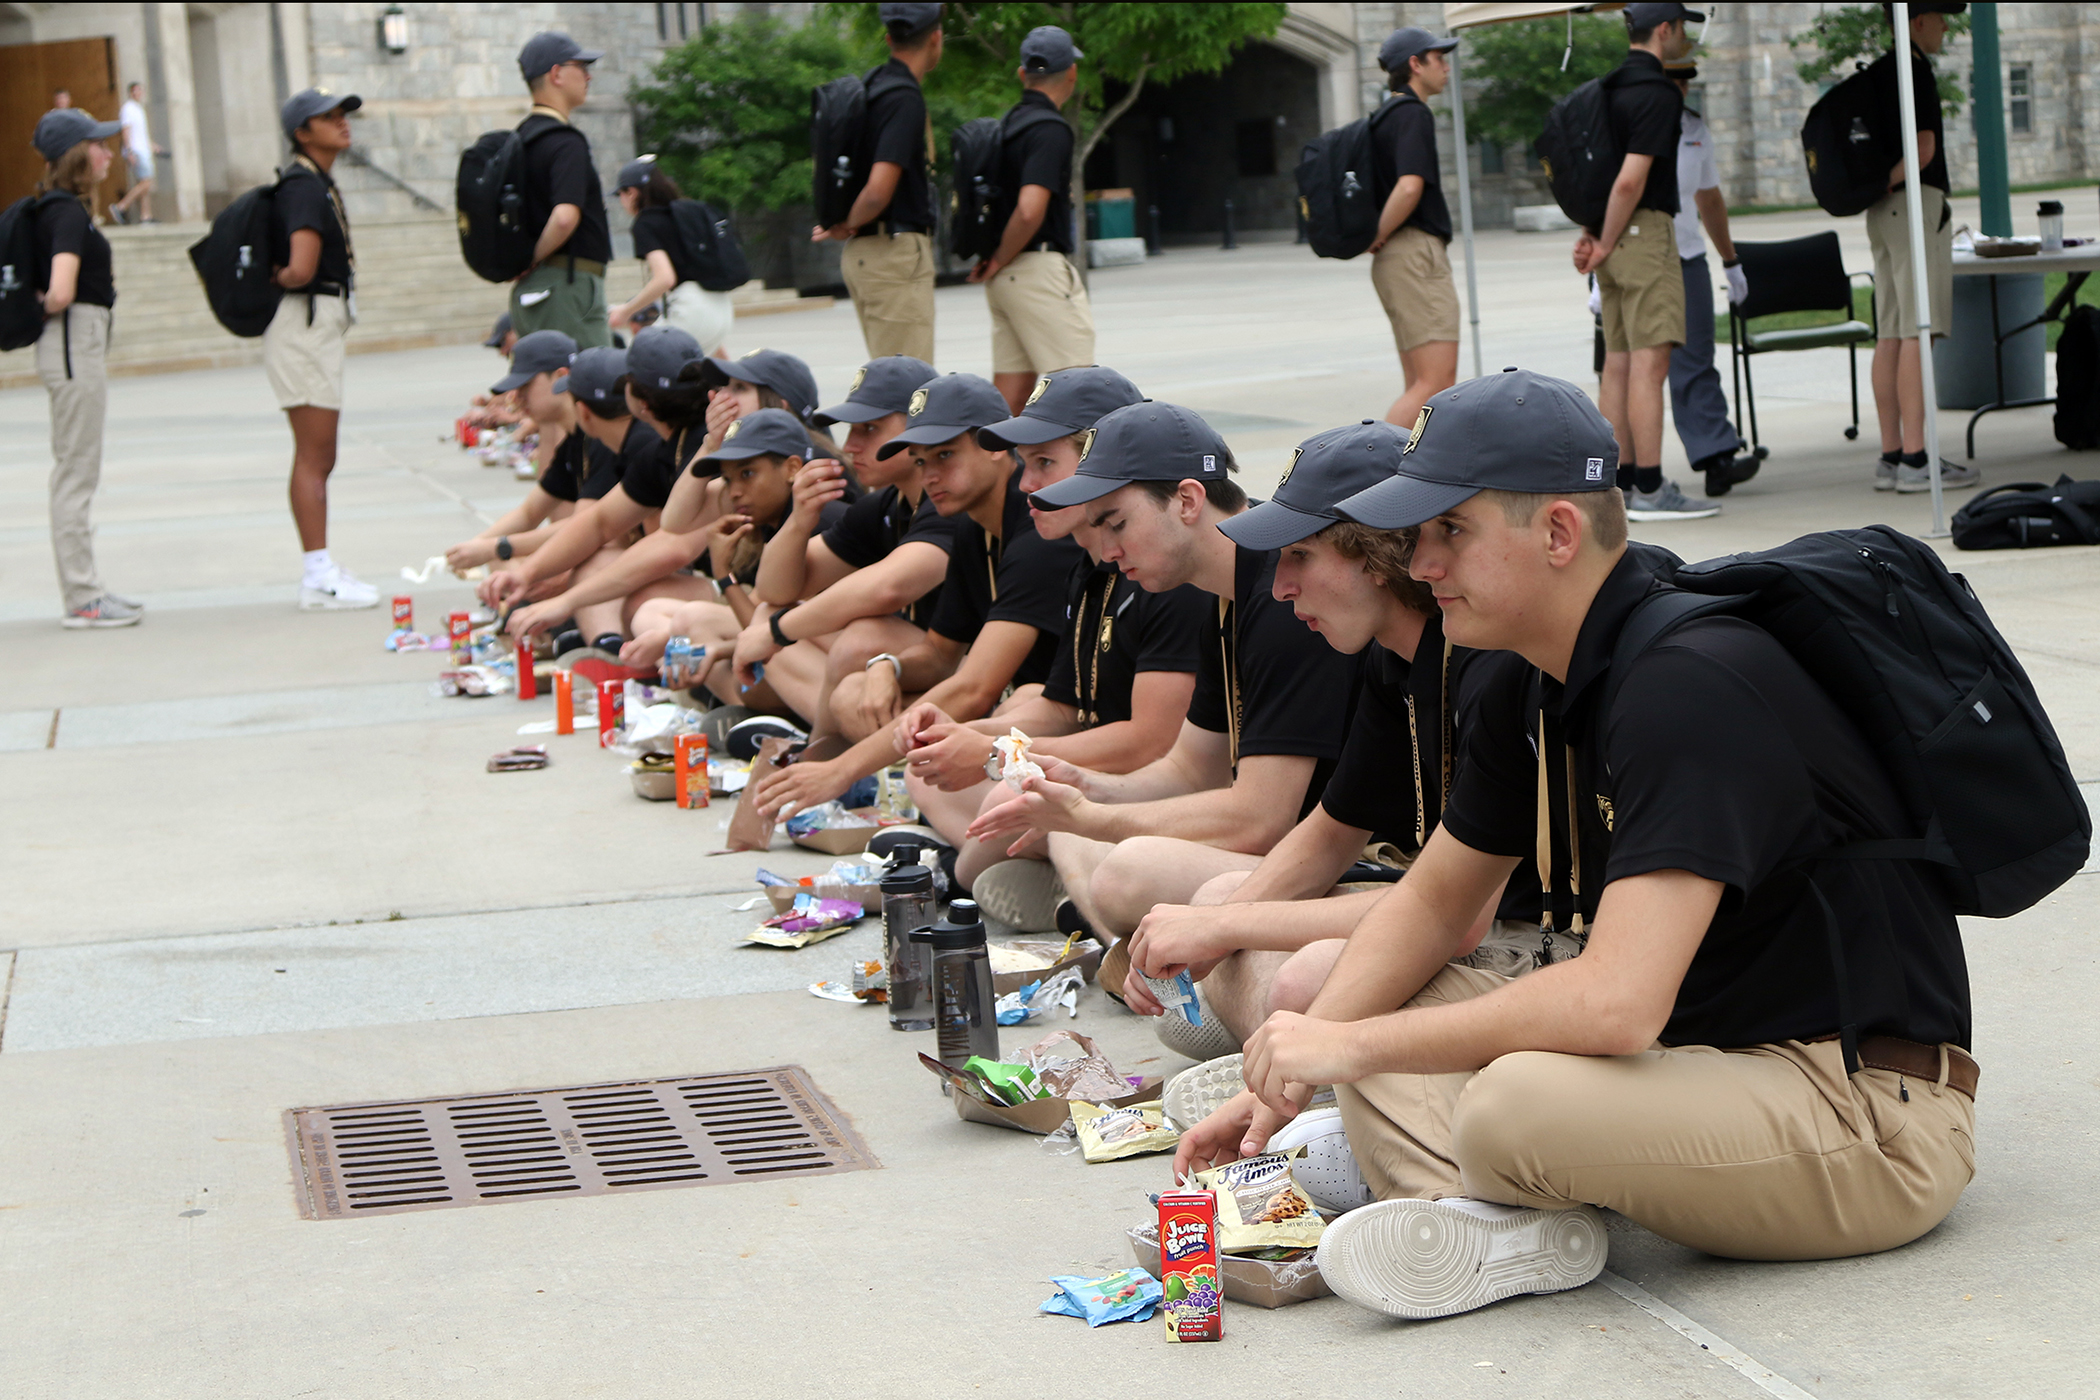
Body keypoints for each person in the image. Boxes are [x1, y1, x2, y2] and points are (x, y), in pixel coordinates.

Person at [1175, 367, 1976, 1323]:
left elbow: (1616, 1005)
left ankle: (1460, 1189)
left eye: (1449, 532)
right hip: (1709, 1058)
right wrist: (1292, 1079)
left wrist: (1346, 1045)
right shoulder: (1528, 675)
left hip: (1859, 1104)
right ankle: (1464, 1211)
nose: (1420, 564)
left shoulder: (1688, 682)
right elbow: (1432, 904)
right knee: (1385, 988)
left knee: (1509, 1104)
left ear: (1558, 533)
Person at [1118, 421, 1551, 1049]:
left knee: (1301, 981)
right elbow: (1330, 832)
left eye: (1300, 554)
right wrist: (1216, 924)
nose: (1279, 585)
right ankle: (1290, 1062)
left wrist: (1220, 932)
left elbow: (1457, 917)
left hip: (1536, 933)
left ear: (1377, 556)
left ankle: (1306, 1080)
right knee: (1217, 901)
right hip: (1448, 908)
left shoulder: (1487, 659)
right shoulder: (1390, 656)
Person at [967, 403, 1362, 944]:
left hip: (1340, 863)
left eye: (1117, 523)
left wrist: (1094, 816)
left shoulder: (1283, 597)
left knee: (1127, 867)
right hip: (1291, 852)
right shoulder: (1223, 594)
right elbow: (1190, 769)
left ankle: (1122, 946)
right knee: (1069, 825)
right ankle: (1125, 940)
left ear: (1186, 500)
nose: (1106, 551)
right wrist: (1087, 787)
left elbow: (1259, 820)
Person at [904, 368, 1207, 930]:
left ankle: (962, 876)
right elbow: (1066, 706)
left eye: (1044, 462)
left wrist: (1002, 755)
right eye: (1025, 464)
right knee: (932, 770)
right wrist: (968, 737)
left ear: (1102, 457)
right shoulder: (1091, 567)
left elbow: (1154, 742)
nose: (1025, 485)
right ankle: (1040, 874)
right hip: (1114, 779)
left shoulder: (1171, 570)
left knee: (1017, 801)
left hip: (1153, 786)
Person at [746, 372, 1084, 819]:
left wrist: (841, 771)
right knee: (854, 692)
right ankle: (863, 777)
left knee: (1012, 708)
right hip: (1012, 707)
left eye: (945, 455)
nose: (931, 475)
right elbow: (940, 653)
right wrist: (890, 666)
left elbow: (974, 687)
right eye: (921, 461)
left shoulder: (1039, 527)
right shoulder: (971, 524)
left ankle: (869, 781)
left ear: (997, 447)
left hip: (1060, 716)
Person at [729, 355, 953, 742]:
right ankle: (826, 746)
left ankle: (822, 752)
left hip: (980, 673)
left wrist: (776, 631)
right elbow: (775, 591)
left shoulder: (950, 500)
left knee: (858, 637)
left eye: (870, 428)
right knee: (771, 615)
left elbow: (890, 586)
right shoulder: (886, 504)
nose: (850, 446)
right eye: (852, 430)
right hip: (913, 664)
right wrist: (799, 520)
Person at [1571, 2, 1713, 521]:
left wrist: (1593, 234)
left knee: (1619, 362)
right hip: (1642, 231)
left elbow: (1595, 172)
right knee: (1651, 365)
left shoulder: (1606, 88)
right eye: (1681, 31)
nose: (1683, 41)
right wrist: (1605, 240)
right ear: (1665, 29)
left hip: (1609, 235)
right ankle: (1652, 487)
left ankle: (1620, 482)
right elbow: (1630, 179)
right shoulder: (1656, 91)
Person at [30, 108, 140, 628]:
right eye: (98, 145)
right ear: (78, 155)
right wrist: (47, 301)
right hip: (75, 342)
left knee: (76, 469)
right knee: (75, 473)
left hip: (73, 342)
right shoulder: (69, 215)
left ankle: (88, 589)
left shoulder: (55, 209)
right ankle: (82, 599)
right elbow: (61, 290)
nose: (108, 152)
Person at [267, 87, 375, 610]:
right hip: (304, 323)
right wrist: (279, 276)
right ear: (301, 132)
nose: (342, 123)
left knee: (320, 453)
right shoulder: (303, 188)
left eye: (343, 115)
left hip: (316, 324)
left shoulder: (315, 182)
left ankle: (320, 568)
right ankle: (317, 573)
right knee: (315, 453)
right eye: (327, 118)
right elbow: (301, 266)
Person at [1865, 2, 1977, 495]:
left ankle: (1892, 454)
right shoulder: (1914, 70)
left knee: (1890, 330)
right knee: (1917, 329)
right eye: (1940, 16)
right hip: (1913, 203)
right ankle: (1916, 457)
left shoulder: (1876, 73)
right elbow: (1924, 149)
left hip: (1881, 212)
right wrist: (1892, 183)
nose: (1946, 26)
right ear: (1917, 20)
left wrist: (1873, 187)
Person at [968, 26, 1094, 416]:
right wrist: (1004, 256)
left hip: (1005, 280)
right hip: (1034, 270)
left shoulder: (1008, 125)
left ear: (1023, 75)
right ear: (1071, 74)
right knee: (1082, 391)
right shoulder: (1049, 129)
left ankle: (987, 470)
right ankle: (1085, 476)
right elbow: (1029, 209)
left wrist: (996, 261)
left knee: (1010, 397)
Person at [812, 2, 942, 364]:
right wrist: (847, 225)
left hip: (869, 255)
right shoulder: (904, 97)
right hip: (893, 252)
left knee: (889, 379)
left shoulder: (872, 87)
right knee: (908, 387)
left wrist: (841, 221)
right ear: (936, 38)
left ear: (888, 38)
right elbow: (879, 189)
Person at [1665, 60, 1759, 498]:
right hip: (1637, 260)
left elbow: (1710, 198)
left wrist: (1730, 259)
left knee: (1697, 359)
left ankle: (1716, 456)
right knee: (1630, 369)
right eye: (1673, 81)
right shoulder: (1626, 123)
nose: (1681, 89)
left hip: (1688, 257)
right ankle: (1625, 469)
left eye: (1685, 82)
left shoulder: (1693, 129)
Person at [1369, 28, 1462, 431]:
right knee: (1435, 382)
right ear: (1414, 65)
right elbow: (1410, 186)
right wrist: (1379, 232)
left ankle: (1402, 479)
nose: (1445, 66)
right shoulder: (1411, 113)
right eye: (1438, 57)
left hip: (1400, 257)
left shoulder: (1384, 115)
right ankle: (1377, 473)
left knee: (1419, 381)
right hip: (1414, 253)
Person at [512, 32, 613, 350]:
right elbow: (566, 217)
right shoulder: (565, 141)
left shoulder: (520, 138)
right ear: (556, 74)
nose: (588, 75)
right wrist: (531, 258)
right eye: (580, 66)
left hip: (540, 289)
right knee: (591, 386)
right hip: (567, 284)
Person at [609, 154, 735, 354]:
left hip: (690, 306)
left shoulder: (646, 222)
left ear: (632, 193)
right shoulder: (687, 211)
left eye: (620, 195)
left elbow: (665, 278)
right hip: (723, 309)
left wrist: (625, 311)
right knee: (695, 375)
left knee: (642, 362)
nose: (621, 201)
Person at [110, 84, 165, 225]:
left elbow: (142, 134)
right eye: (135, 90)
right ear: (130, 92)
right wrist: (129, 150)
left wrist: (153, 146)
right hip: (136, 150)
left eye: (140, 90)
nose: (138, 93)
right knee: (146, 182)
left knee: (144, 184)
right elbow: (126, 129)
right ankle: (120, 206)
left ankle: (145, 216)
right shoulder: (127, 109)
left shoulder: (139, 109)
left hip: (143, 150)